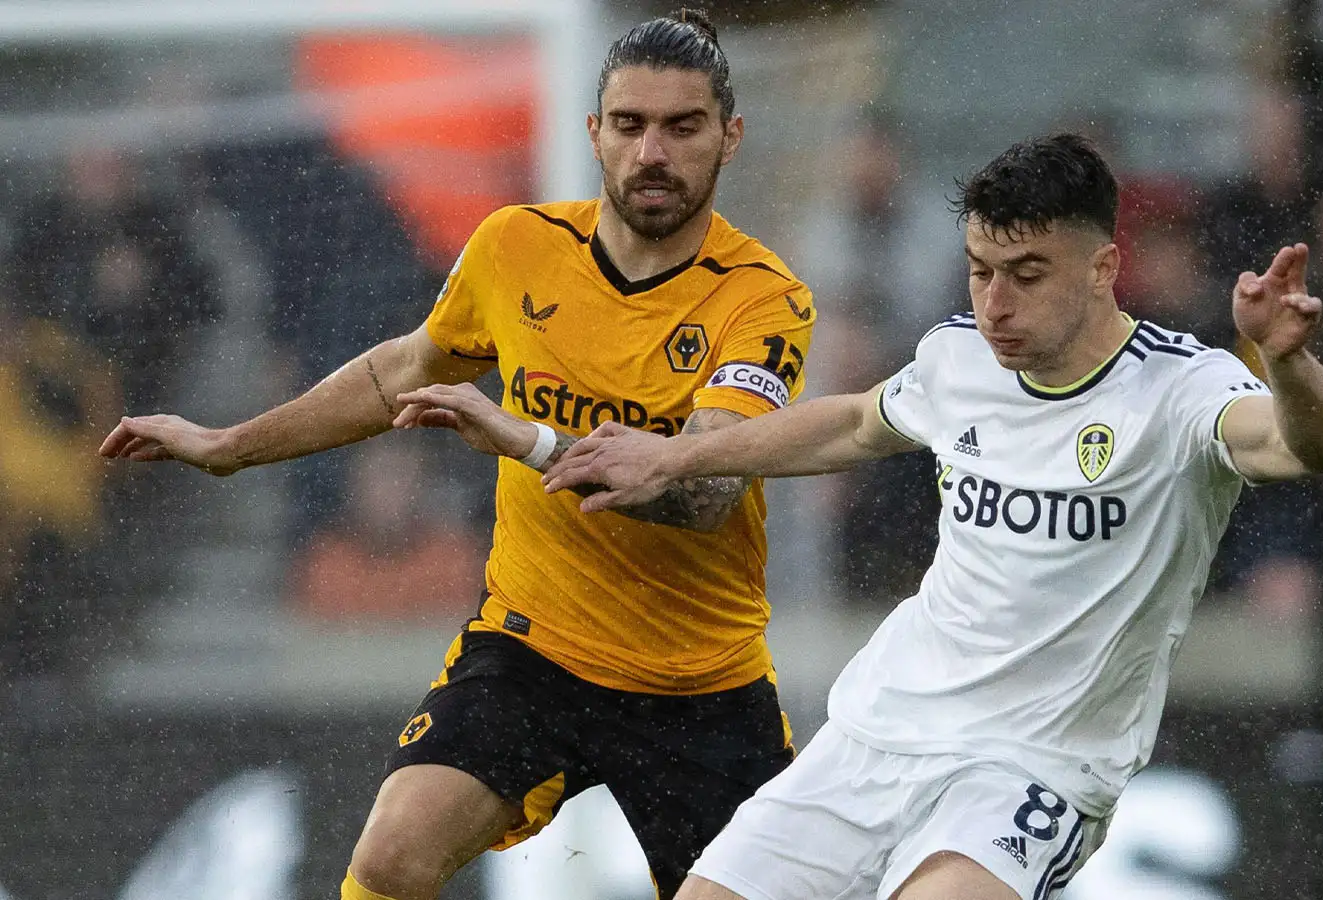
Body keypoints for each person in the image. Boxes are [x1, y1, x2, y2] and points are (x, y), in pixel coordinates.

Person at [412, 133, 1323, 899]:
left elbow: (1309, 447)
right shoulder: (958, 359)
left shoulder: (1181, 389)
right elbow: (855, 422)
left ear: (1105, 266)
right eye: (981, 269)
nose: (995, 302)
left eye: (1027, 273)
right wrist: (679, 451)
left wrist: (1289, 363)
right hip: (882, 731)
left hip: (1033, 768)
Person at [98, 10, 814, 900]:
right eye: (629, 125)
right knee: (390, 859)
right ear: (594, 132)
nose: (652, 153)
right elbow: (402, 368)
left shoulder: (763, 299)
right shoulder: (516, 246)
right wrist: (233, 446)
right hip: (532, 651)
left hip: (699, 683)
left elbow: (705, 487)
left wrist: (534, 440)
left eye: (682, 126)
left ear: (730, 136)